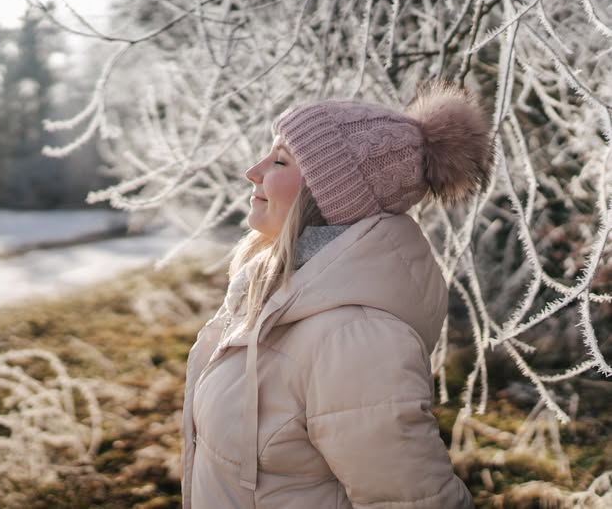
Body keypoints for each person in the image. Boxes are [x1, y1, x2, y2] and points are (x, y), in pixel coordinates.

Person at [181, 81, 494, 508]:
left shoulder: (356, 338)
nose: (253, 171)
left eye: (279, 160)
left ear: (325, 196)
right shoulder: (273, 296)